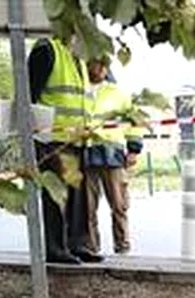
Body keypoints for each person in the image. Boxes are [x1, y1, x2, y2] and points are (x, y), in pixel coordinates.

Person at [28, 36, 101, 264]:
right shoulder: (47, 49)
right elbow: (28, 95)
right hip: (52, 140)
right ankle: (55, 248)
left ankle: (78, 245)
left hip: (76, 139)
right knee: (56, 196)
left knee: (78, 197)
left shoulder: (77, 58)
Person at [83, 57, 142, 256]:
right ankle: (91, 247)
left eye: (103, 64)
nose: (100, 68)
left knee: (119, 205)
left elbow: (134, 121)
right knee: (87, 208)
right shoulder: (79, 90)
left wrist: (134, 149)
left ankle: (122, 246)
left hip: (112, 154)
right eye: (96, 63)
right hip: (86, 152)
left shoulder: (118, 93)